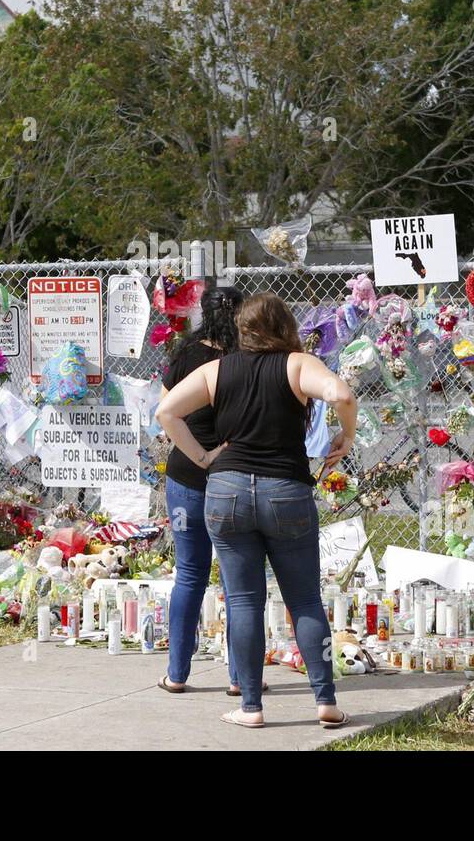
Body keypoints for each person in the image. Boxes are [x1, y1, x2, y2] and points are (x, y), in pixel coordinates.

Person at [156, 292, 356, 729]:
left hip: (224, 491)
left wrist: (203, 457)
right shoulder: (298, 364)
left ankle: (250, 706)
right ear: (286, 326)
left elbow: (166, 411)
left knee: (243, 601)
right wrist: (347, 436)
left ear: (243, 330)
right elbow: (341, 393)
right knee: (304, 599)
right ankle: (325, 702)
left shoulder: (216, 369)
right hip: (285, 490)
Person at [155, 285, 247, 695]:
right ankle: (239, 678)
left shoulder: (185, 355)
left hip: (185, 475)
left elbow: (165, 412)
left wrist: (198, 454)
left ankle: (177, 674)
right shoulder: (247, 361)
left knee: (189, 575)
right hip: (232, 476)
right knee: (236, 581)